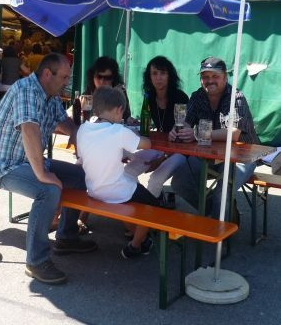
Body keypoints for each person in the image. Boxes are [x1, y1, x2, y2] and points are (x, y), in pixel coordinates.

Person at [0, 53, 97, 285]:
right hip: (4, 168)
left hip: (28, 162)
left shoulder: (50, 94)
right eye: (64, 77)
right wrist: (42, 174)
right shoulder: (26, 89)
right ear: (47, 74)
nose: (67, 82)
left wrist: (78, 135)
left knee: (80, 176)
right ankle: (36, 261)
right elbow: (29, 129)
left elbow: (63, 121)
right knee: (48, 190)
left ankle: (66, 236)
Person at [169, 57, 260, 220]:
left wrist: (198, 134)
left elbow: (234, 133)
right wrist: (178, 131)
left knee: (223, 190)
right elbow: (186, 122)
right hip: (209, 156)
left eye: (215, 76)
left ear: (225, 78)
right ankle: (217, 214)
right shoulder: (197, 96)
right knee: (180, 182)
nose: (210, 80)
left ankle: (219, 223)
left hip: (241, 158)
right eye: (205, 76)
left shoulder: (236, 97)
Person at [77, 86, 160, 258]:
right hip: (117, 191)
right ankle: (135, 246)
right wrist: (137, 134)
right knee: (153, 206)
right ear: (118, 110)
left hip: (93, 189)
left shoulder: (83, 129)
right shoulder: (119, 131)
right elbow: (147, 144)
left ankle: (143, 240)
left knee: (128, 197)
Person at [124, 56, 189, 205]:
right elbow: (147, 126)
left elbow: (182, 134)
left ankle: (147, 215)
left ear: (169, 75)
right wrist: (137, 124)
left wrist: (162, 159)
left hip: (180, 151)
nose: (158, 78)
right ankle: (150, 202)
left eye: (163, 73)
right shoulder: (149, 96)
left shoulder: (180, 97)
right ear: (149, 77)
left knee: (155, 179)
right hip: (159, 147)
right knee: (128, 171)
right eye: (154, 73)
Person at [84, 56, 133, 123]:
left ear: (113, 79)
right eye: (99, 77)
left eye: (107, 78)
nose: (102, 81)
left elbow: (126, 116)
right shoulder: (89, 92)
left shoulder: (119, 92)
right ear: (92, 76)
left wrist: (129, 120)